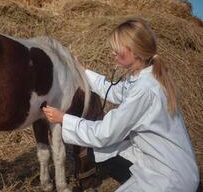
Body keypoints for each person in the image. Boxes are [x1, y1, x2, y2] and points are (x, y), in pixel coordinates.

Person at [42, 18, 199, 192]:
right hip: (164, 161)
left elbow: (105, 133)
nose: (112, 53)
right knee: (104, 150)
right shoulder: (145, 77)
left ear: (135, 51)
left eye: (117, 48)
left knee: (102, 143)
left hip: (169, 178)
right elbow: (115, 92)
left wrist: (63, 118)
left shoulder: (144, 90)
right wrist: (83, 71)